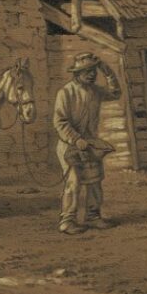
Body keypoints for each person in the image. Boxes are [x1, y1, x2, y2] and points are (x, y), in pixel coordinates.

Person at [53, 52, 122, 235]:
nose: (91, 74)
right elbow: (60, 122)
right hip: (69, 145)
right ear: (76, 73)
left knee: (94, 181)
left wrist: (108, 73)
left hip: (90, 144)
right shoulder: (65, 92)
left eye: (93, 70)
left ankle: (93, 216)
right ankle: (67, 220)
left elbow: (115, 93)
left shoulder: (96, 91)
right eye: (87, 71)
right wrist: (76, 139)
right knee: (73, 182)